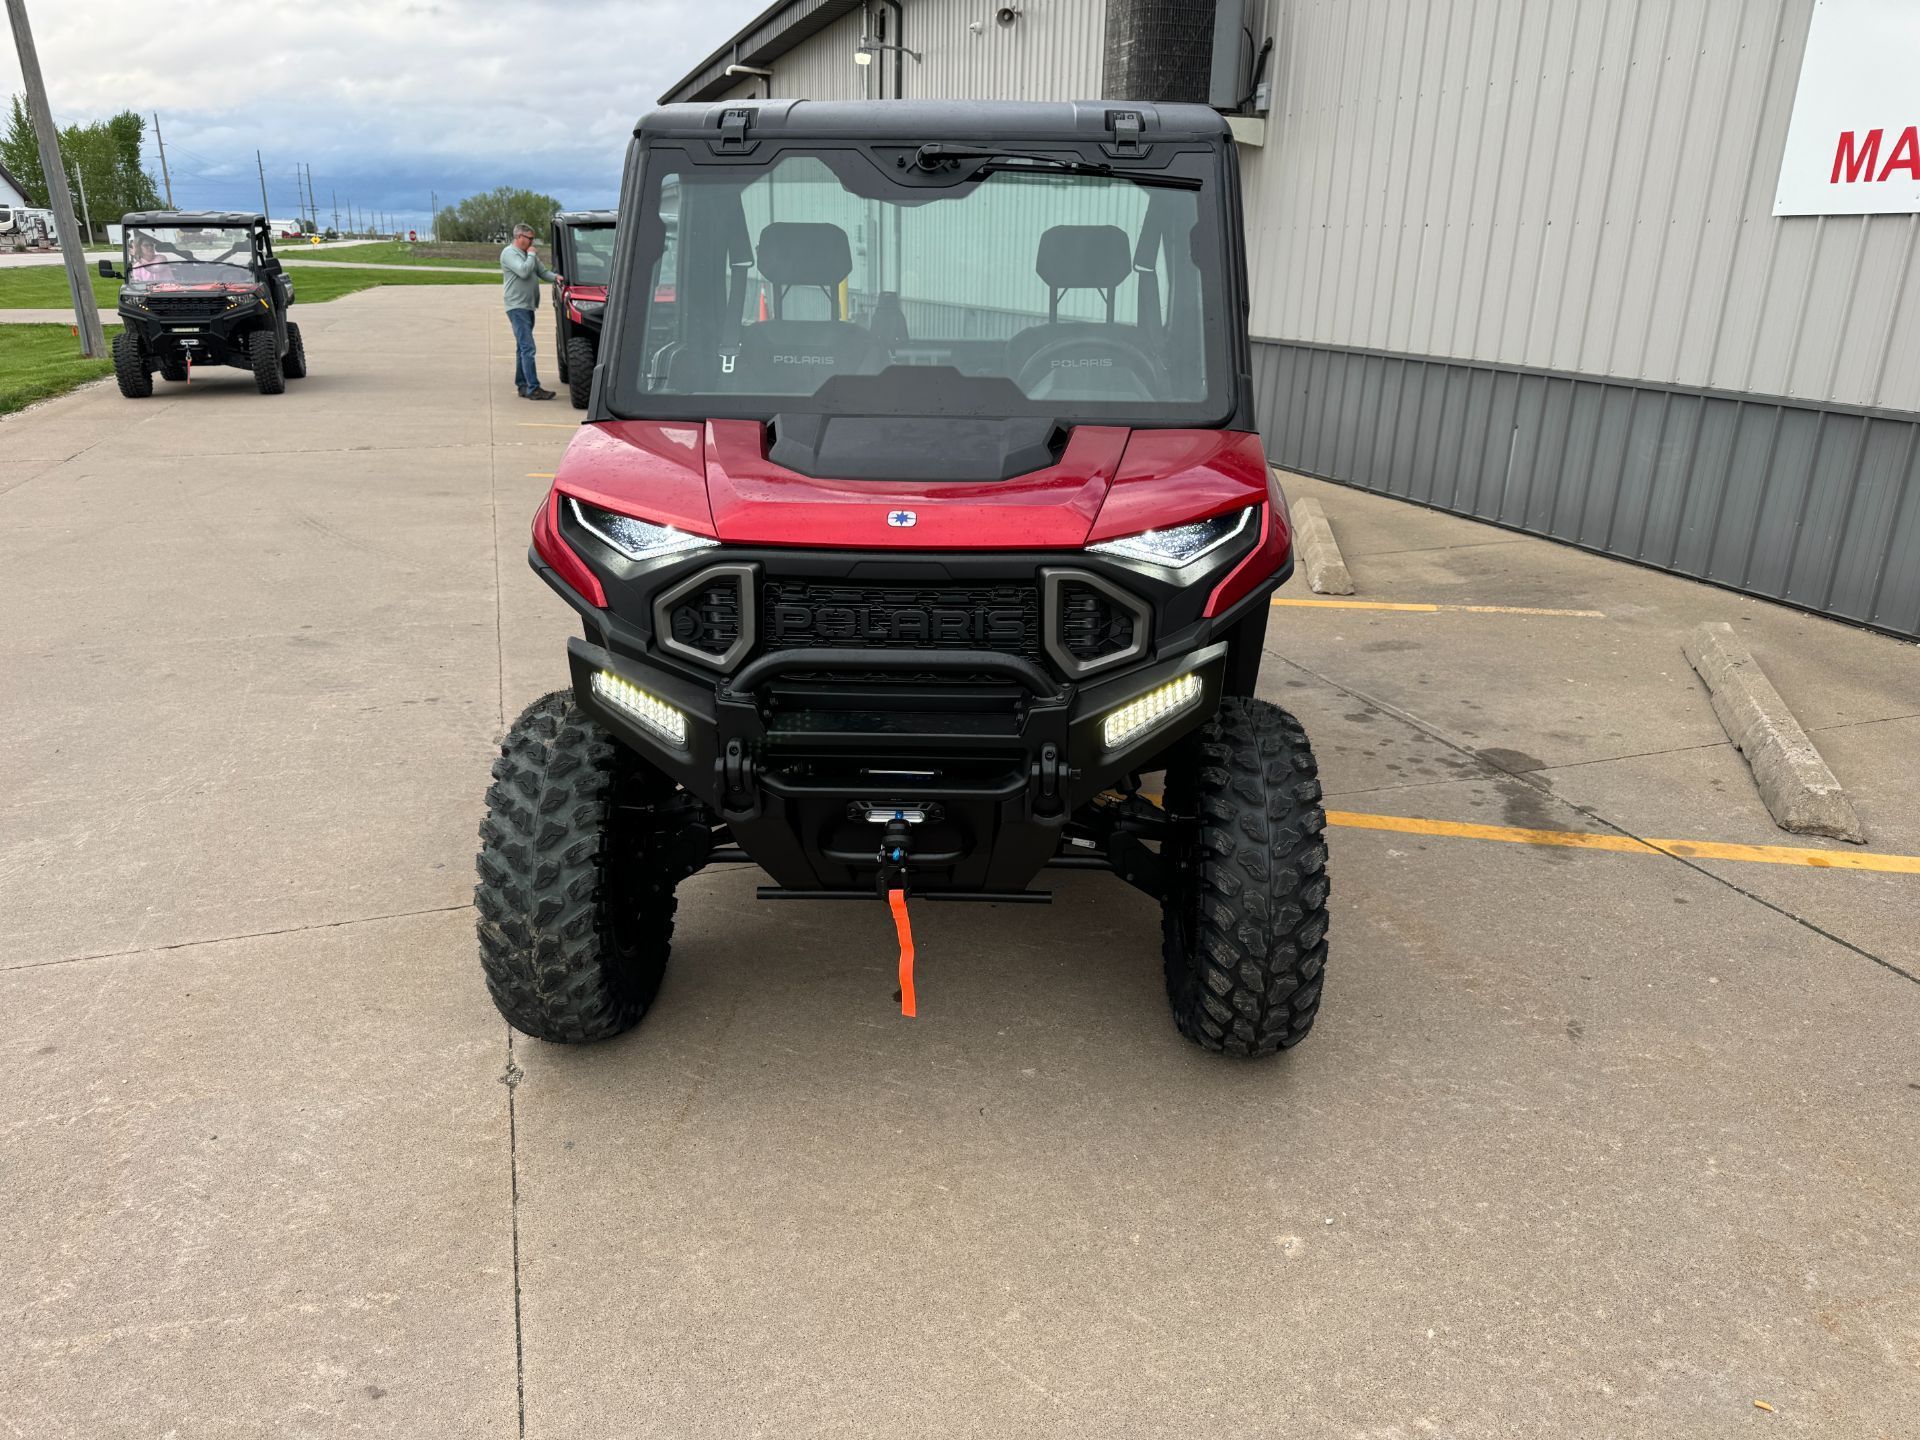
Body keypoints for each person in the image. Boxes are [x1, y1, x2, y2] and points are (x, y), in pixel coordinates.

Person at [500, 223, 563, 400]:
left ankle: (523, 384)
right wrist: (532, 255)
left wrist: (556, 278)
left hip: (528, 306)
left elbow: (542, 272)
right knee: (528, 347)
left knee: (522, 347)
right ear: (519, 237)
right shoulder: (509, 253)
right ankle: (533, 388)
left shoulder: (528, 255)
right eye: (529, 238)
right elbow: (524, 271)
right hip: (517, 306)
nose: (532, 242)